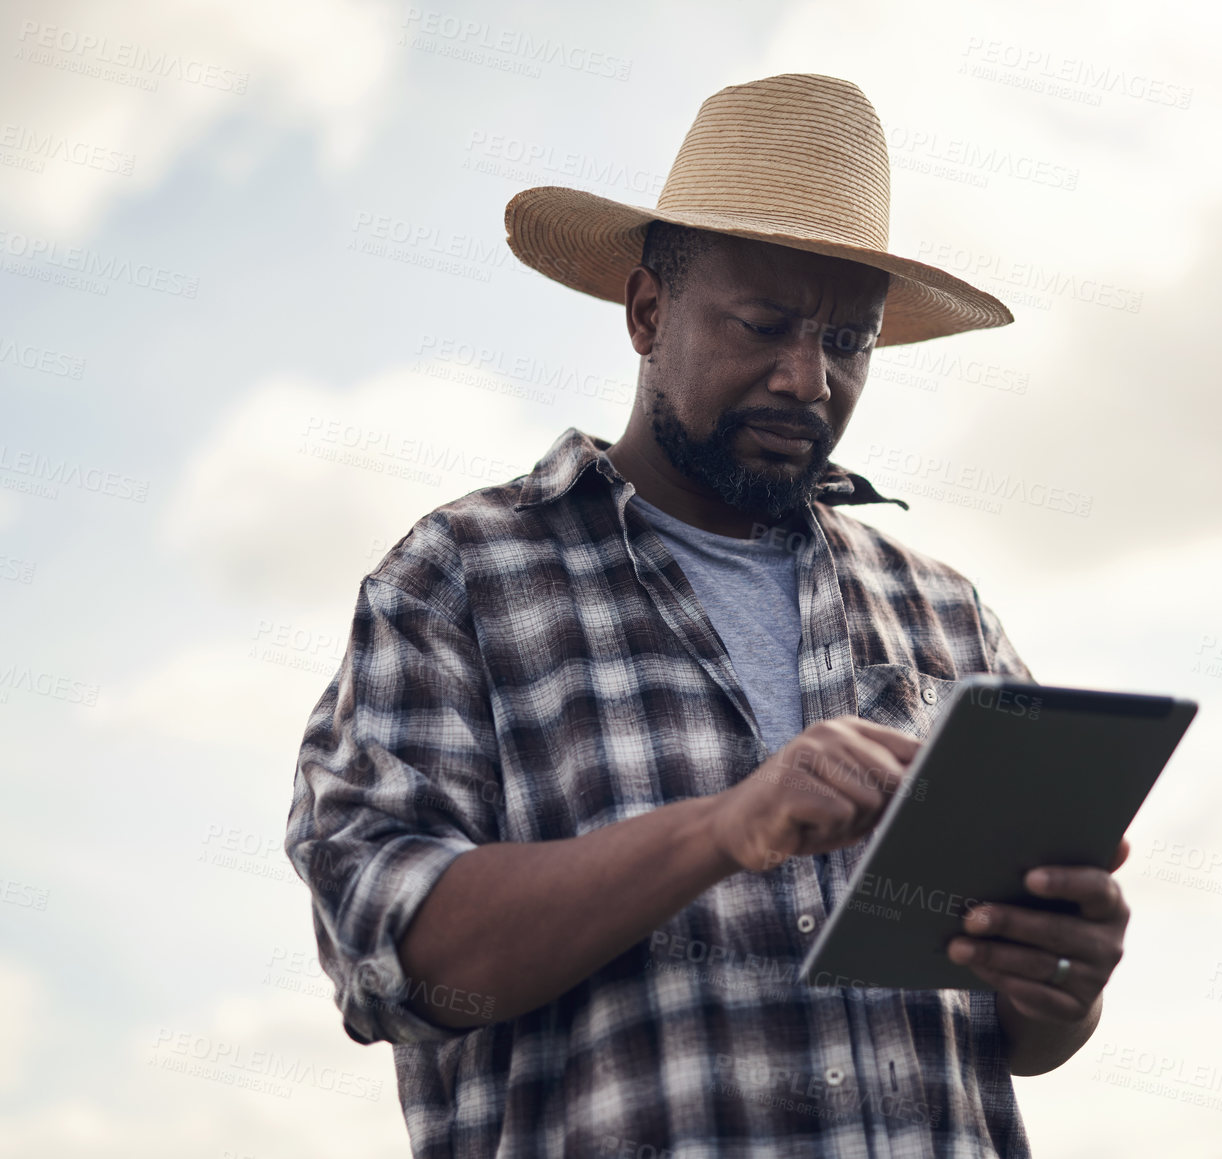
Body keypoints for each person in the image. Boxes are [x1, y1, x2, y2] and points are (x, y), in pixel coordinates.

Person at [286, 72, 1132, 1158]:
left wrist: (1062, 984)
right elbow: (390, 960)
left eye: (847, 342)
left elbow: (1022, 1040)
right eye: (765, 325)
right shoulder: (463, 576)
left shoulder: (947, 616)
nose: (806, 378)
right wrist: (723, 828)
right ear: (648, 313)